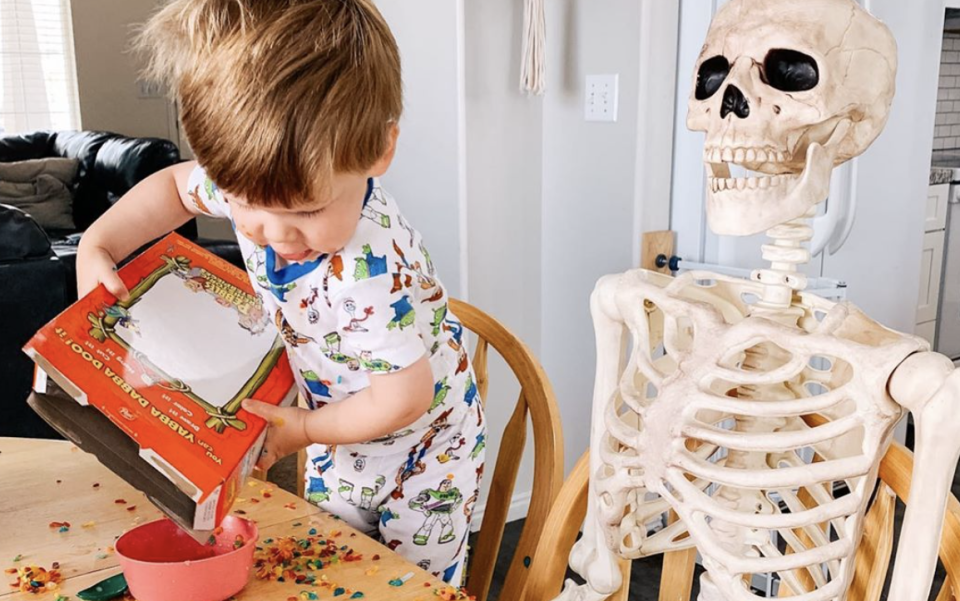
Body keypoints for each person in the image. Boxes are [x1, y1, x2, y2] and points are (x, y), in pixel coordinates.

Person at [76, 0, 484, 584]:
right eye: (245, 206)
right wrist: (98, 244)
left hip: (424, 461)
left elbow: (404, 397)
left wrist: (306, 431)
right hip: (338, 434)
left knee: (407, 588)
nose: (274, 232)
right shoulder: (259, 189)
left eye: (307, 210)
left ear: (380, 152)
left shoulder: (364, 271)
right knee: (334, 571)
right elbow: (173, 187)